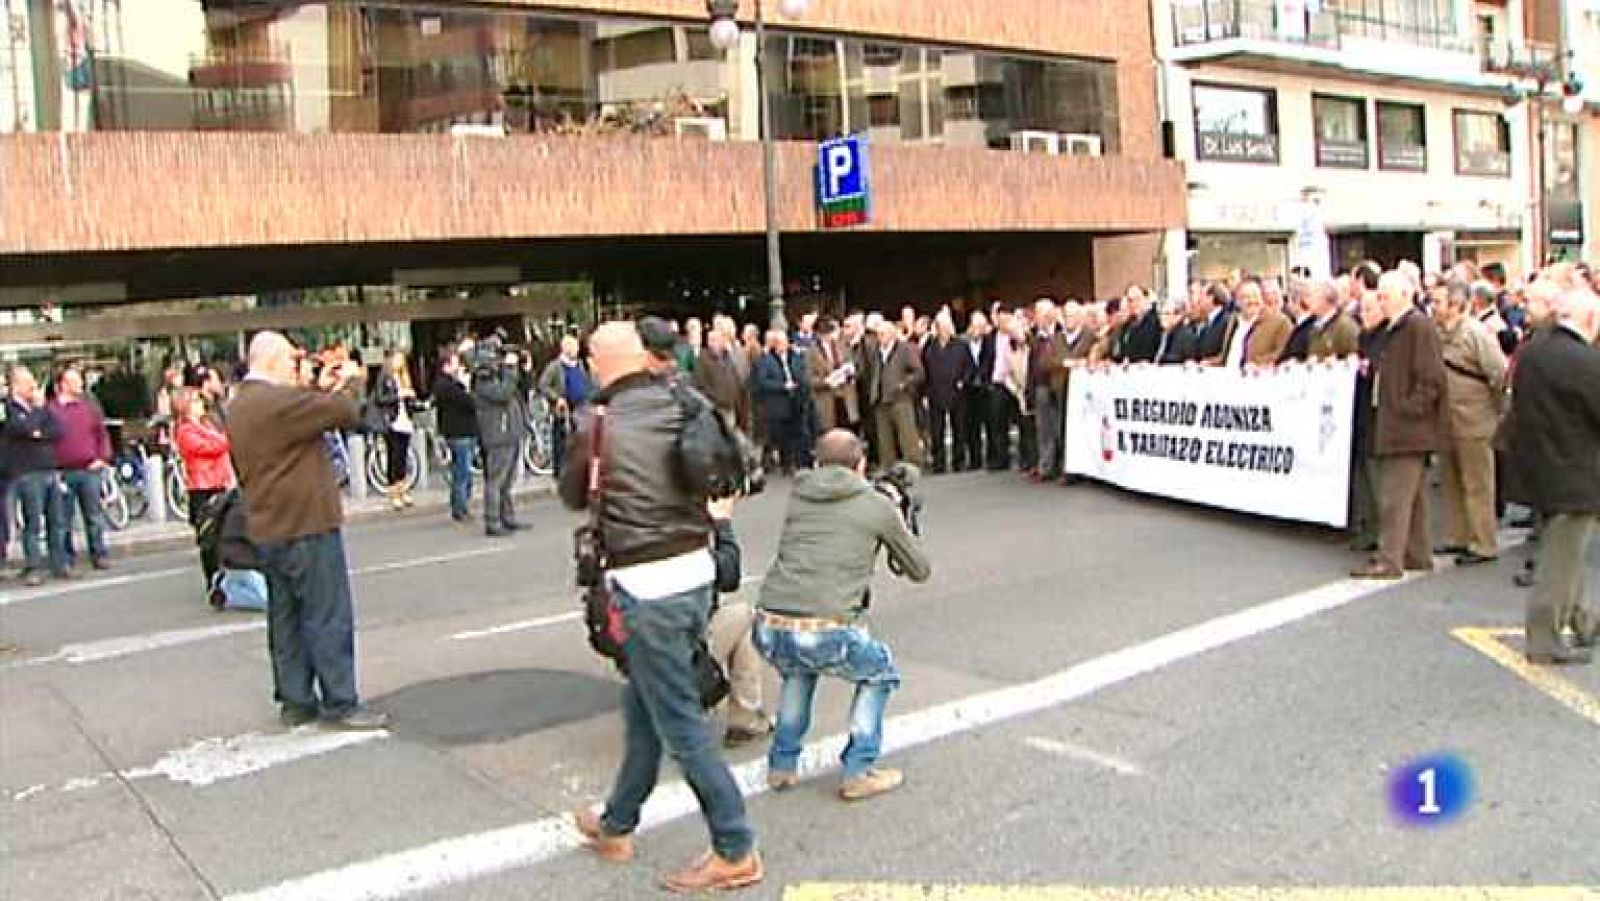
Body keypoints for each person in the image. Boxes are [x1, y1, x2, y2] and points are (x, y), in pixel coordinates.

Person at [561, 322, 762, 893]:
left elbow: (574, 494)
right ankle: (617, 823)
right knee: (642, 702)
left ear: (603, 363)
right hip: (696, 573)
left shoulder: (598, 425)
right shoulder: (686, 402)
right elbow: (730, 465)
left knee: (679, 721)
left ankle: (735, 845)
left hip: (644, 586)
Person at [754, 429, 931, 801]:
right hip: (823, 628)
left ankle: (782, 765)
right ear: (861, 464)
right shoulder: (876, 505)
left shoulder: (800, 493)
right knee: (879, 673)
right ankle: (859, 768)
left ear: (817, 463)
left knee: (799, 671)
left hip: (770, 624)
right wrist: (896, 513)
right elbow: (919, 569)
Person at [229, 331, 387, 730]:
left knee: (286, 619)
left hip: (269, 525)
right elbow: (346, 411)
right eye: (290, 361)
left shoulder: (241, 404)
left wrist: (319, 385)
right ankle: (340, 700)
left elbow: (311, 411)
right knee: (326, 613)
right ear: (271, 361)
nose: (294, 368)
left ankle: (296, 699)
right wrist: (350, 378)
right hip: (306, 522)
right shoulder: (275, 402)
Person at [1505, 288, 1600, 665]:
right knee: (1562, 558)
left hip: (1538, 466)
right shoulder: (1584, 361)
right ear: (1589, 320)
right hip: (1575, 471)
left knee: (1564, 553)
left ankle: (1583, 620)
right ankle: (1544, 638)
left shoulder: (1533, 352)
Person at [1352, 272, 1450, 580]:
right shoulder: (1396, 328)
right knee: (1413, 496)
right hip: (1398, 422)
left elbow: (1431, 378)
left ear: (1404, 295)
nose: (1380, 302)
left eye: (1385, 296)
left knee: (1394, 496)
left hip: (1407, 426)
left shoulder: (1417, 326)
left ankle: (1389, 558)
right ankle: (1416, 553)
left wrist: (1409, 408)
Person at [1432, 280, 1508, 566]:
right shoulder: (1438, 333)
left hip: (1475, 419)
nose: (1433, 307)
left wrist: (1495, 410)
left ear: (1455, 304)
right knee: (1451, 480)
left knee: (1477, 483)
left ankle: (1483, 542)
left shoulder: (1475, 333)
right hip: (1447, 418)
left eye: (1438, 302)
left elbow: (1498, 373)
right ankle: (1458, 536)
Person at [704, 494, 772, 747]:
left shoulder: (633, 522)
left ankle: (746, 717)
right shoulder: (677, 531)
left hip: (636, 643)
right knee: (748, 616)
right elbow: (728, 575)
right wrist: (722, 523)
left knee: (738, 620)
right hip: (676, 648)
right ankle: (746, 716)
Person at [3, 367, 66, 586]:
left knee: (57, 520)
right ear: (16, 386)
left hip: (49, 468)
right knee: (33, 522)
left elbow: (58, 430)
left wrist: (40, 431)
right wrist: (37, 421)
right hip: (27, 472)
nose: (33, 386)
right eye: (28, 382)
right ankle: (34, 566)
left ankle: (59, 563)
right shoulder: (9, 408)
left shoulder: (42, 408)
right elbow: (22, 428)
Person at [49, 366, 114, 573]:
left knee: (94, 515)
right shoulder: (50, 411)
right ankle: (65, 559)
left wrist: (103, 458)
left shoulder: (89, 408)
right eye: (74, 380)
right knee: (62, 519)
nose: (80, 384)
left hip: (89, 469)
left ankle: (99, 554)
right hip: (63, 472)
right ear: (62, 385)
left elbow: (101, 434)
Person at [174, 386, 234, 597]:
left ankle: (226, 579)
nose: (201, 405)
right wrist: (224, 441)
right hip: (202, 487)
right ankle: (212, 580)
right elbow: (206, 448)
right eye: (196, 402)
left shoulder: (207, 424)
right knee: (209, 538)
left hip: (219, 482)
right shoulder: (185, 430)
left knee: (224, 535)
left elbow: (220, 440)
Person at [473, 343, 529, 537]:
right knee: (496, 481)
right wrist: (510, 369)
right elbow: (504, 394)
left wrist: (519, 369)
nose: (499, 362)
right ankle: (492, 521)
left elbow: (517, 389)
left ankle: (507, 517)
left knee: (506, 482)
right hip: (498, 436)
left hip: (509, 434)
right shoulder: (484, 382)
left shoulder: (499, 378)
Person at [866, 319, 925, 469]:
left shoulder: (904, 349)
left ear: (892, 334)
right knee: (884, 438)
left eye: (883, 334)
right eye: (878, 334)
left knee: (907, 435)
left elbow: (919, 372)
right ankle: (888, 466)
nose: (880, 337)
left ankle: (913, 465)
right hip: (881, 399)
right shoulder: (876, 352)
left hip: (900, 398)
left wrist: (904, 384)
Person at [751, 329, 810, 474]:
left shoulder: (795, 356)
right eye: (778, 343)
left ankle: (798, 461)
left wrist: (800, 383)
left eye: (784, 342)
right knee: (780, 435)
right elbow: (762, 382)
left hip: (796, 400)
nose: (782, 345)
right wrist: (782, 386)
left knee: (797, 432)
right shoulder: (765, 360)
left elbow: (802, 372)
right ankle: (784, 464)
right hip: (777, 404)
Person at [920, 311, 972, 473]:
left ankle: (959, 461)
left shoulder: (961, 345)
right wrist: (925, 391)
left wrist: (963, 382)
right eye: (941, 326)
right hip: (935, 392)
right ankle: (939, 463)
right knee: (937, 430)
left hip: (957, 391)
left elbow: (969, 366)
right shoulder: (930, 346)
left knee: (959, 428)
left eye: (947, 326)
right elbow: (924, 369)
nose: (944, 329)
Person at [432, 352, 479, 523]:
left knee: (462, 470)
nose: (458, 367)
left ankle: (459, 505)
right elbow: (469, 402)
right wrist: (464, 385)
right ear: (446, 366)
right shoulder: (446, 386)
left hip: (464, 431)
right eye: (454, 364)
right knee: (462, 472)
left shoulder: (450, 384)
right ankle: (460, 508)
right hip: (459, 433)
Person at [538, 335, 593, 479]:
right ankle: (560, 472)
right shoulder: (555, 366)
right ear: (565, 348)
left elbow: (586, 382)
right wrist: (556, 398)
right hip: (564, 410)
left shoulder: (579, 364)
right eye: (573, 347)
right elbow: (543, 385)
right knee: (561, 442)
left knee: (579, 441)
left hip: (581, 407)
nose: (576, 350)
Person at [371, 351, 418, 511]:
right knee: (394, 456)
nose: (400, 362)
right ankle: (393, 493)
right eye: (397, 359)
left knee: (403, 457)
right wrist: (399, 395)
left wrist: (412, 399)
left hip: (404, 421)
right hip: (391, 422)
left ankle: (403, 489)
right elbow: (380, 398)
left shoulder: (404, 377)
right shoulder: (385, 377)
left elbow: (410, 401)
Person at [806, 317, 859, 435]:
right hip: (827, 399)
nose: (828, 336)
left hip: (845, 397)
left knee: (848, 432)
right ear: (818, 334)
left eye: (829, 332)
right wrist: (826, 382)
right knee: (831, 434)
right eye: (824, 333)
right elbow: (809, 379)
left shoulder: (842, 345)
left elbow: (851, 365)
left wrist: (849, 372)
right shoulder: (811, 352)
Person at [694, 327, 745, 429]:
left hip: (732, 407)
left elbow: (735, 378)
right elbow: (701, 385)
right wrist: (717, 401)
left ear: (722, 341)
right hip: (716, 410)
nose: (712, 343)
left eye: (716, 339)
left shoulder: (728, 357)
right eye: (710, 340)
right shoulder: (703, 359)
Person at [959, 311, 991, 471]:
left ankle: (992, 458)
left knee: (990, 423)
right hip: (968, 388)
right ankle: (974, 459)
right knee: (971, 426)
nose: (978, 330)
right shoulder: (961, 343)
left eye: (982, 326)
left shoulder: (989, 342)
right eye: (976, 326)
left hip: (986, 387)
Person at [1306, 280, 1361, 360]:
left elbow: (1355, 359)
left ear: (1326, 298)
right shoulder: (1316, 325)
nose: (1309, 300)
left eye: (1312, 295)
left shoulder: (1345, 326)